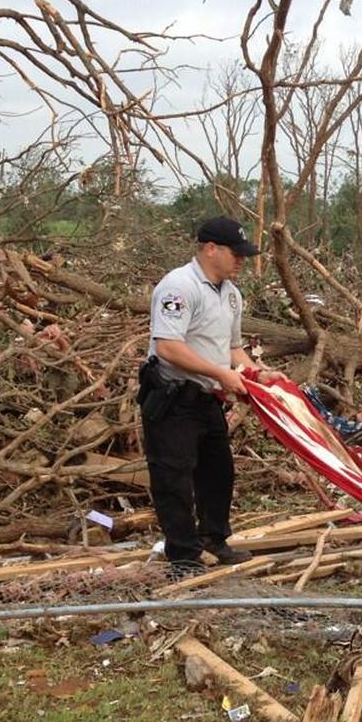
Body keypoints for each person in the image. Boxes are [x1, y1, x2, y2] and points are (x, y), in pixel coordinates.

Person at [138, 216, 286, 576]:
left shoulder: (231, 295)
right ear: (210, 249)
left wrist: (256, 374)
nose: (241, 261)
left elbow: (232, 349)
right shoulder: (179, 287)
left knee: (218, 472)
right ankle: (183, 555)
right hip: (173, 397)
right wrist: (220, 373)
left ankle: (213, 539)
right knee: (173, 477)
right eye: (235, 254)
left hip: (208, 399)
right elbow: (168, 347)